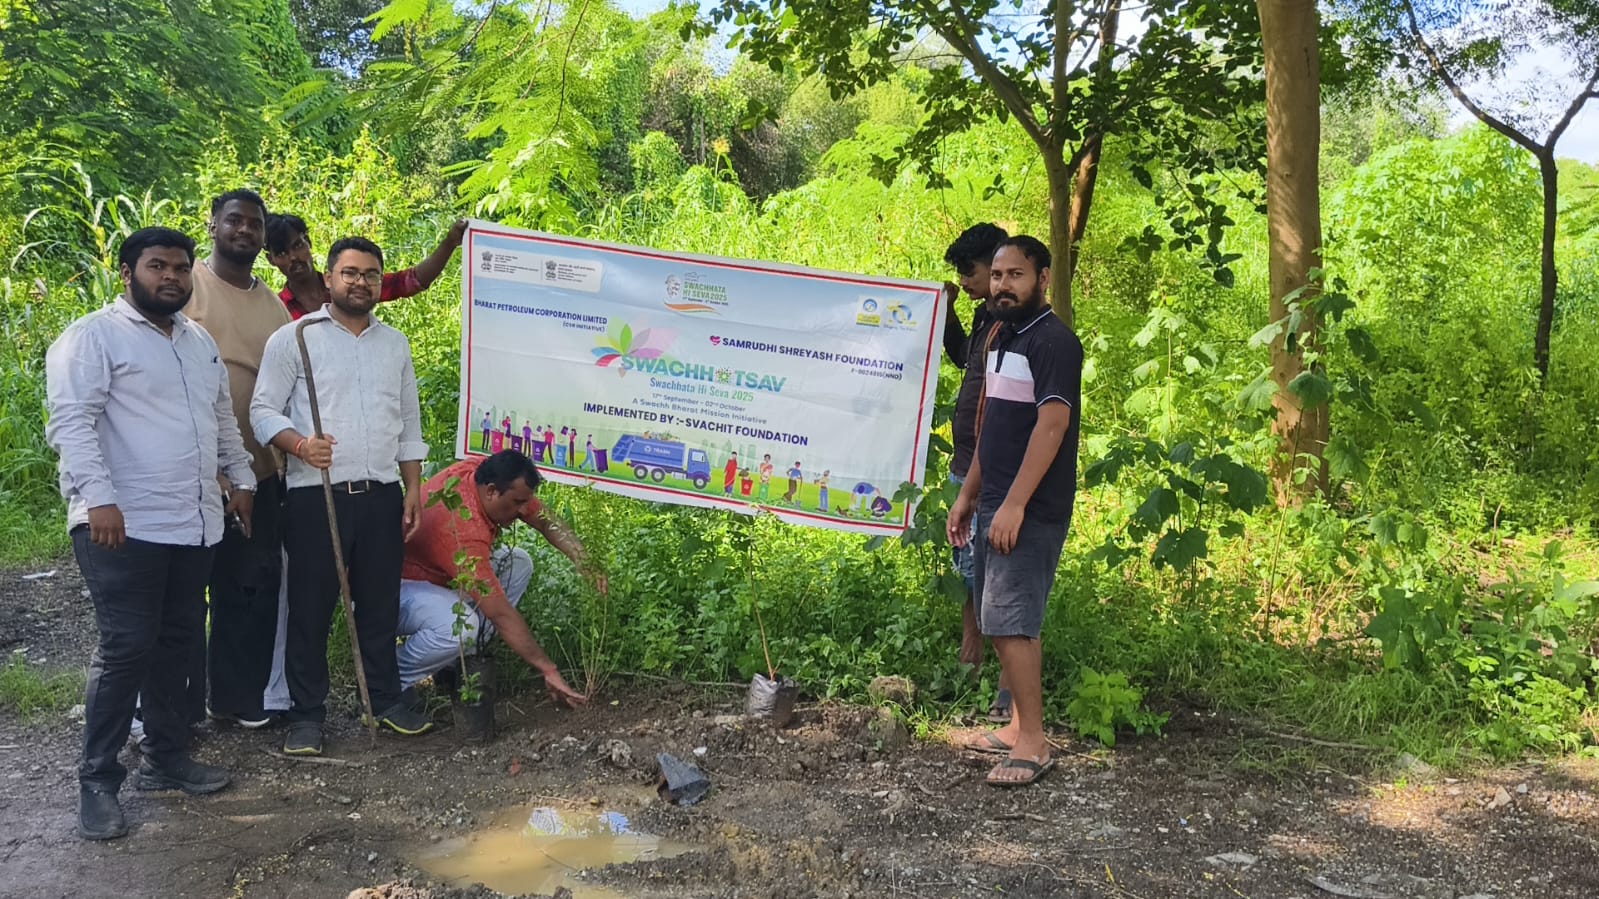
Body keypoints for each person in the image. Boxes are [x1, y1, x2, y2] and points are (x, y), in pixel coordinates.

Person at [46, 227, 255, 840]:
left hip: (192, 523)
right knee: (126, 648)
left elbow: (220, 419)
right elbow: (72, 422)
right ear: (127, 272)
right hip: (122, 525)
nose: (171, 277)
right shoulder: (93, 337)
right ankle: (97, 781)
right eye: (157, 265)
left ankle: (165, 758)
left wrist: (242, 478)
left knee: (178, 643)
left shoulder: (198, 342)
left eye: (181, 267)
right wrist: (99, 498)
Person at [252, 236, 432, 756]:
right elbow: (263, 411)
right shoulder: (296, 338)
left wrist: (413, 486)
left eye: (371, 274)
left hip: (381, 493)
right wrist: (300, 445)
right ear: (328, 278)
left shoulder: (394, 344)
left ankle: (384, 701)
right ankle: (306, 716)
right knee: (311, 607)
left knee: (379, 604)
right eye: (350, 273)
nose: (361, 282)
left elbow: (409, 423)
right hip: (316, 495)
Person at [947, 235, 1082, 788]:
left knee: (1010, 620)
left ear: (1043, 278)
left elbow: (1052, 426)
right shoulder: (1002, 337)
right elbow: (994, 427)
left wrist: (1016, 504)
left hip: (1030, 507)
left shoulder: (1054, 343)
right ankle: (1018, 728)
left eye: (1016, 275)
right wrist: (969, 495)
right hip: (995, 499)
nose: (1003, 285)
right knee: (1002, 617)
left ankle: (1034, 743)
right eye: (998, 275)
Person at [185, 189, 294, 730]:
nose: (245, 230)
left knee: (250, 583)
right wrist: (215, 471)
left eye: (255, 223)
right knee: (184, 593)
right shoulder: (186, 286)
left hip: (260, 471)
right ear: (213, 225)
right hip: (190, 472)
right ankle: (171, 708)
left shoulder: (273, 305)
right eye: (235, 220)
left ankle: (235, 698)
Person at [396, 451, 601, 706]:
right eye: (518, 503)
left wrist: (586, 562)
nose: (524, 510)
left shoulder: (481, 474)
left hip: (440, 575)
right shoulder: (464, 530)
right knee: (461, 629)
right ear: (492, 492)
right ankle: (390, 679)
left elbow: (546, 522)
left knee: (518, 563)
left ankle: (459, 661)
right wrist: (547, 668)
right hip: (400, 587)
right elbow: (500, 614)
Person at [943, 222, 1010, 719]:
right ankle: (972, 661)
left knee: (997, 577)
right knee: (970, 572)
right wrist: (947, 312)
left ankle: (1003, 681)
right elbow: (963, 357)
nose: (965, 280)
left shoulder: (1014, 327)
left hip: (990, 471)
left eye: (970, 271)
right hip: (964, 463)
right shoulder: (984, 317)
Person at [265, 214, 468, 320]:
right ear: (271, 260)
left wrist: (450, 242)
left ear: (309, 243)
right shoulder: (277, 310)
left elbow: (411, 281)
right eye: (282, 253)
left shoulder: (348, 284)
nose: (293, 257)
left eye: (297, 246)